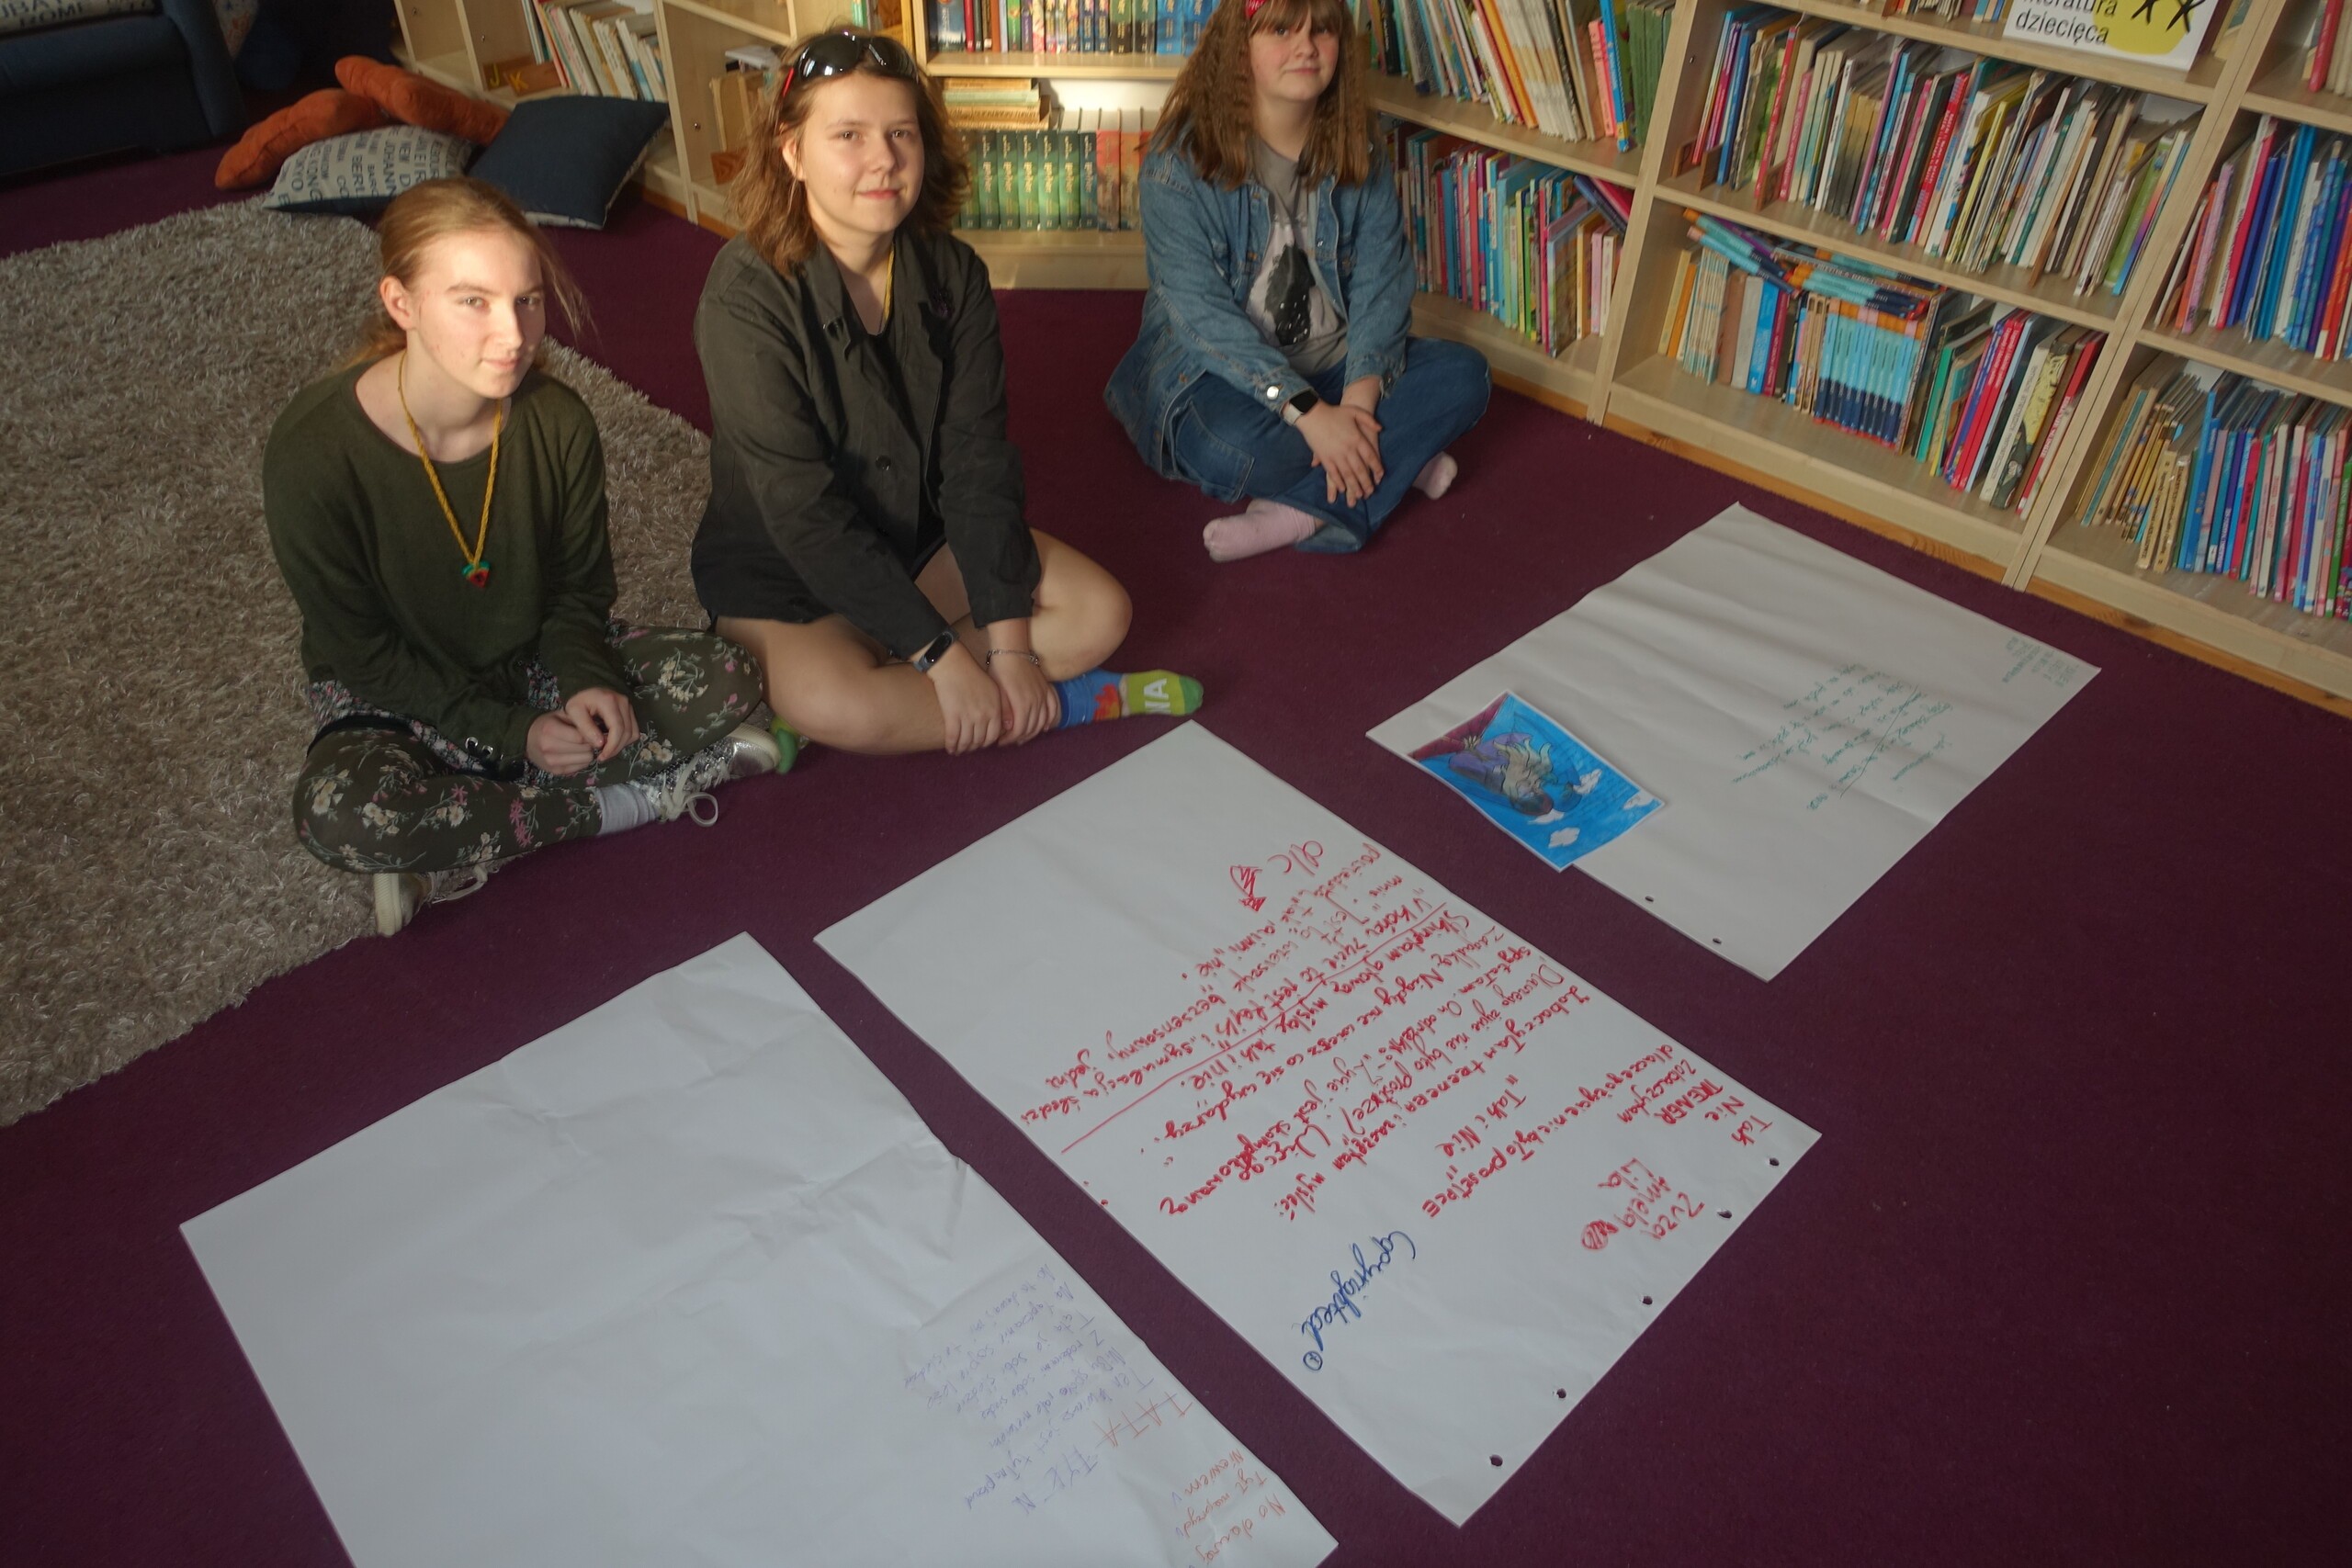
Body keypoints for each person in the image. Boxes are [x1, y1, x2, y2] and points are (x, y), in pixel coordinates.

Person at [264, 177, 778, 937]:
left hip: (530, 660)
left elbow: (575, 594)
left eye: (528, 300)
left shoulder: (558, 423)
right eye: (473, 301)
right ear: (401, 303)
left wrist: (587, 680)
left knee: (729, 678)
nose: (513, 333)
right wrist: (517, 733)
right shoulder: (312, 451)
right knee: (340, 815)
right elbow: (363, 656)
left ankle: (470, 820)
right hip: (399, 697)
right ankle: (614, 803)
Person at [692, 28, 1203, 755]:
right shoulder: (742, 297)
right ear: (793, 153)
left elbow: (977, 464)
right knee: (846, 705)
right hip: (790, 574)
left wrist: (1010, 647)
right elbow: (803, 516)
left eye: (901, 132)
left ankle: (934, 686)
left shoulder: (954, 274)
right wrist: (943, 656)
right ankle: (1057, 700)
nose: (884, 159)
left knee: (1101, 612)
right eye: (848, 135)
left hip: (917, 540)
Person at [1105, 0, 1491, 562]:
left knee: (1467, 376)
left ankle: (1301, 511)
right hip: (1223, 376)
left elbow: (1382, 281)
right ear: (1238, 47)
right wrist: (1308, 414)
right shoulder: (1176, 165)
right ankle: (1392, 455)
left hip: (1337, 366)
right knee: (1226, 447)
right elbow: (1203, 321)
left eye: (1323, 30)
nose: (1306, 46)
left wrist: (1357, 405)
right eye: (1282, 30)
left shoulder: (1357, 142)